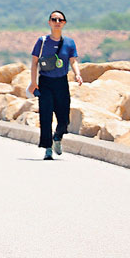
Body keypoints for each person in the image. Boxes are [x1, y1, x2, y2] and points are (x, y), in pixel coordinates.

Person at [27, 10, 83, 160]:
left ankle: (57, 137)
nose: (57, 22)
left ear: (64, 23)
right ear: (49, 22)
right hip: (45, 82)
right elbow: (34, 62)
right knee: (46, 116)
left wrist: (77, 74)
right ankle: (47, 148)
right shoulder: (42, 41)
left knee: (64, 117)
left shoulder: (69, 43)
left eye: (60, 20)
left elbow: (73, 61)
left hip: (61, 82)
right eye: (54, 19)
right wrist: (34, 82)